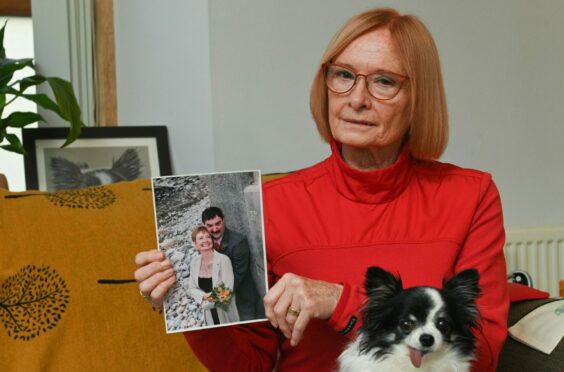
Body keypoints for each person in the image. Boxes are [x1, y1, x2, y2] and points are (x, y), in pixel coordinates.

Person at [135, 8, 508, 371]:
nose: (357, 99)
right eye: (343, 75)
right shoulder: (274, 205)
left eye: (384, 82)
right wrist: (189, 307)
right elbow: (248, 365)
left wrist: (342, 302)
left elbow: (484, 355)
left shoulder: (470, 196)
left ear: (419, 98)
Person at [202, 206, 263, 321]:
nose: (214, 229)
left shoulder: (239, 242)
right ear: (204, 225)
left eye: (218, 223)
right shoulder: (205, 242)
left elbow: (237, 275)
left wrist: (216, 297)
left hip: (243, 297)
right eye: (210, 225)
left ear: (223, 220)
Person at [187, 225, 240, 326]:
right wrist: (204, 295)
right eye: (201, 238)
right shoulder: (194, 262)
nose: (205, 240)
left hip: (225, 311)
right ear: (195, 244)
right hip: (209, 314)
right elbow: (191, 288)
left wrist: (205, 303)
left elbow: (227, 291)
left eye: (208, 237)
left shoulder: (224, 260)